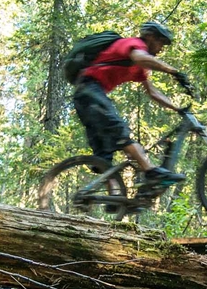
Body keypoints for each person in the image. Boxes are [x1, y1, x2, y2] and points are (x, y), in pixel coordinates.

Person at [72, 21, 187, 188]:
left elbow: (153, 93)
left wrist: (178, 108)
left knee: (104, 157)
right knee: (120, 133)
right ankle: (151, 172)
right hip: (89, 89)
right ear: (149, 37)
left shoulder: (139, 68)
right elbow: (141, 58)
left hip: (87, 96)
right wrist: (173, 71)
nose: (162, 47)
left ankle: (114, 200)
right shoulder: (132, 44)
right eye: (160, 41)